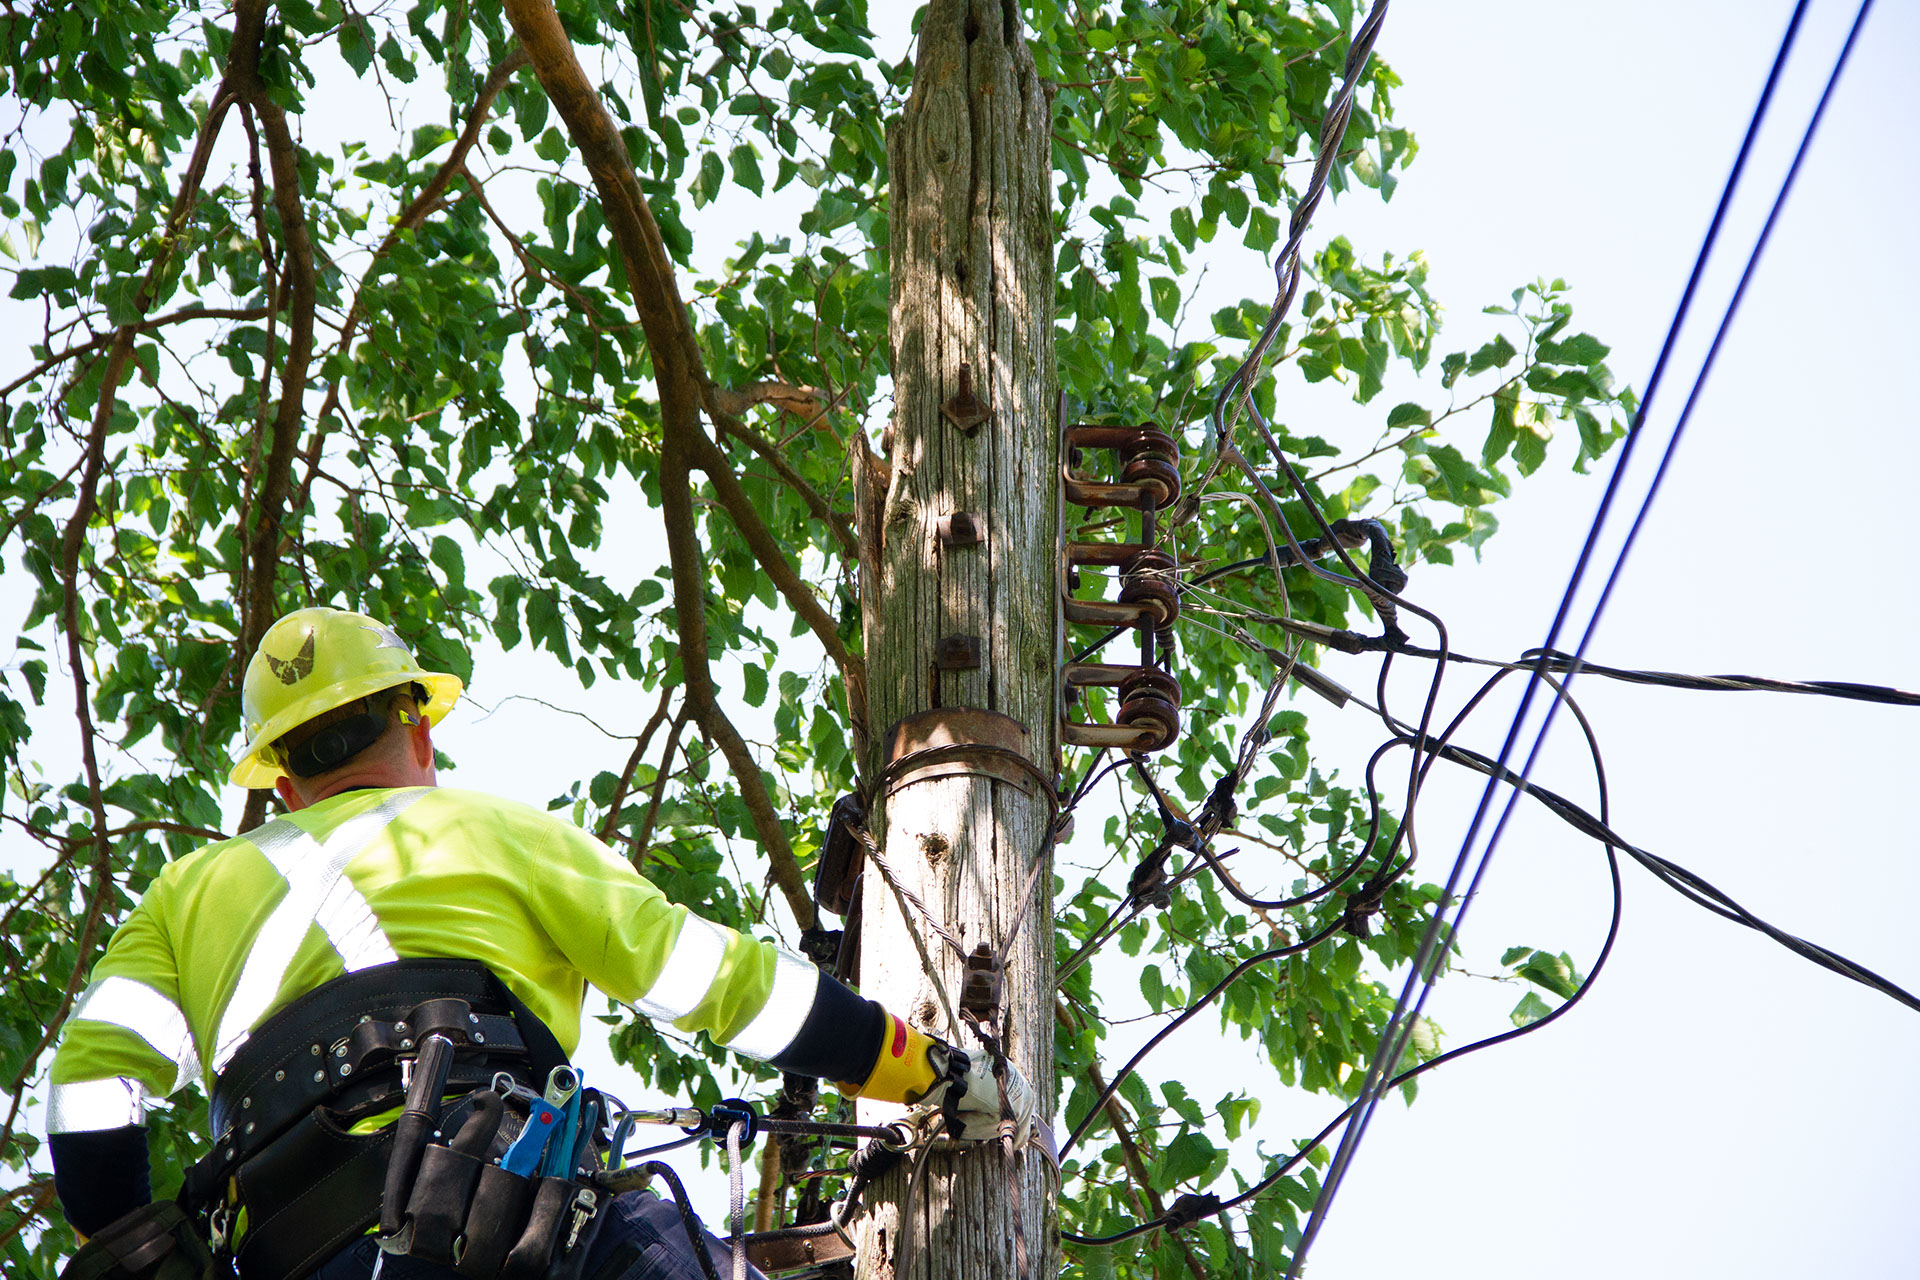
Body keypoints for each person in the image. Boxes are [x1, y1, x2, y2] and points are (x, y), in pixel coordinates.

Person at [46, 606, 1030, 1280]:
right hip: (522, 1232)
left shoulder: (188, 891)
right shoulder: (495, 833)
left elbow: (89, 1097)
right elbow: (717, 982)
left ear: (285, 784)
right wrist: (931, 1073)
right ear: (417, 729)